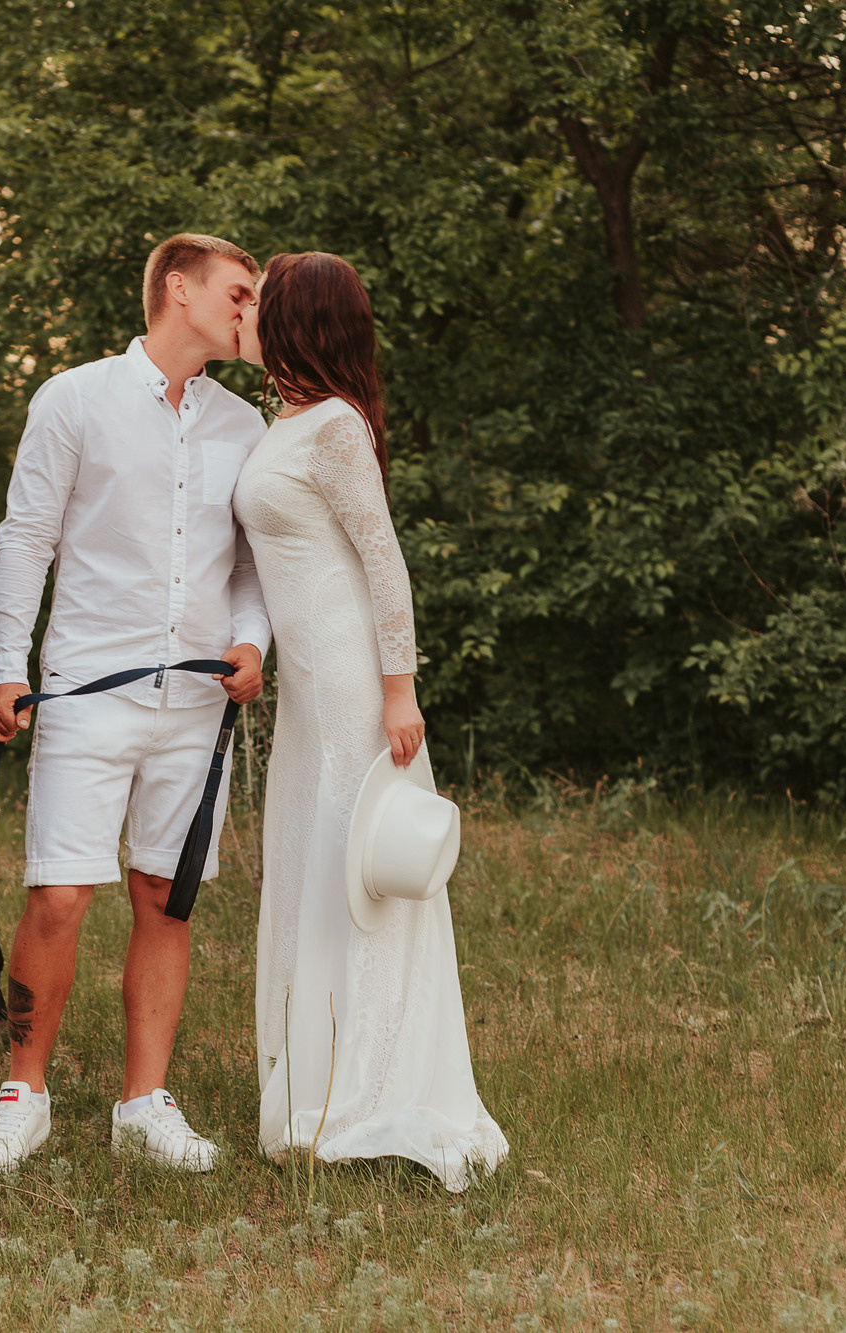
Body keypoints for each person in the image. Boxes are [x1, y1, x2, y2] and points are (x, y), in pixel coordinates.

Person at [0, 233, 270, 1173]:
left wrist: (254, 640)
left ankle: (144, 1103)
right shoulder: (75, 398)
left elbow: (257, 565)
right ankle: (24, 1093)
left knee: (163, 900)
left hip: (197, 709)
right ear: (178, 289)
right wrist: (5, 663)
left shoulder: (243, 427)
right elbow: (26, 539)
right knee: (59, 893)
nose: (252, 310)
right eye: (240, 292)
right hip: (88, 692)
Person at [232, 251, 508, 1189]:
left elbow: (382, 561)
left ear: (299, 317)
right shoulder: (289, 420)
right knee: (312, 872)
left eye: (262, 301)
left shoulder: (337, 427)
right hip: (308, 691)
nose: (252, 312)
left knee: (358, 881)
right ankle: (315, 1080)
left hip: (355, 684)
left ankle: (374, 1088)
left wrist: (401, 689)